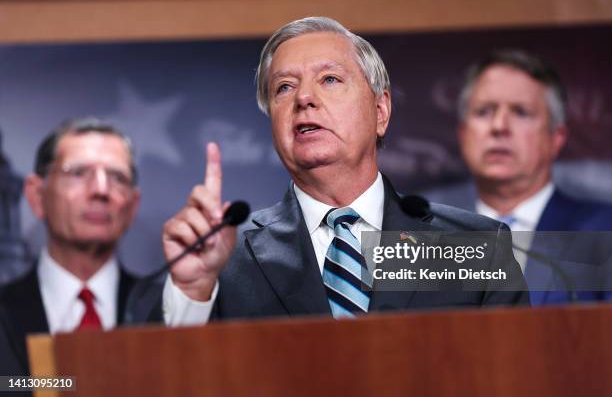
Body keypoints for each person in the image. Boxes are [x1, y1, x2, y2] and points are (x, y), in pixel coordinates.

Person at [160, 17, 528, 326]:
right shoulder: (224, 258)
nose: (304, 98)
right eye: (284, 87)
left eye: (330, 80)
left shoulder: (475, 248)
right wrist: (193, 293)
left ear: (380, 111)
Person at [456, 49, 612, 305]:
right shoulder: (419, 234)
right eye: (484, 111)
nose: (499, 126)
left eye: (521, 112)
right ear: (463, 135)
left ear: (556, 138)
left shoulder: (604, 232)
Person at [0, 117, 142, 375]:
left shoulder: (166, 310)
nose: (101, 189)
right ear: (37, 195)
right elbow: (7, 385)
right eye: (78, 172)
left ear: (132, 206)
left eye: (117, 177)